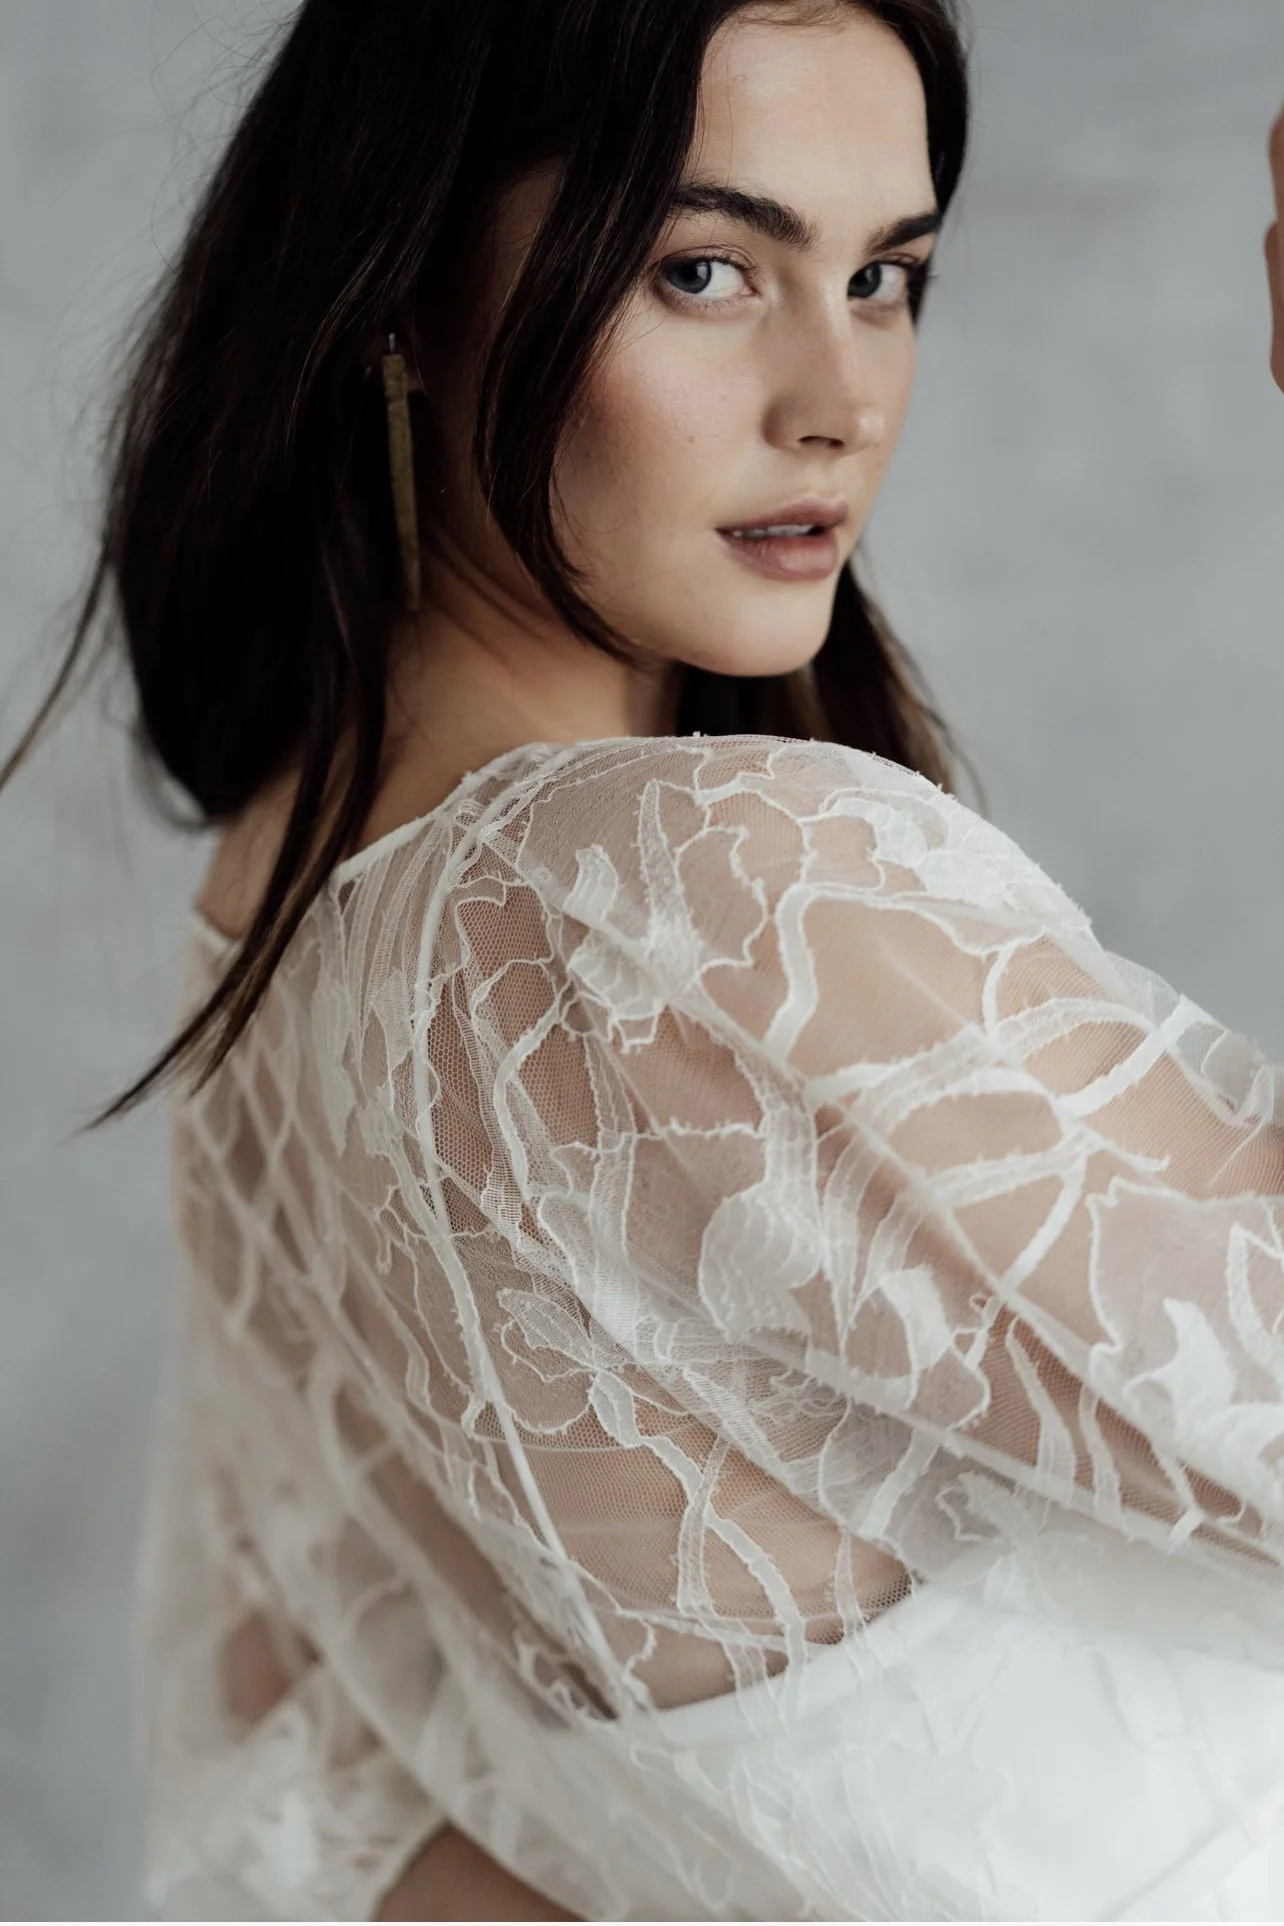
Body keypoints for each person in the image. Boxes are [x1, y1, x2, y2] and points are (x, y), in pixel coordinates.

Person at [5, 0, 1284, 1915]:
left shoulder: (272, 934)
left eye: (885, 276)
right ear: (398, 285)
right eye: (707, 269)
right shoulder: (697, 888)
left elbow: (284, 1810)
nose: (836, 393)